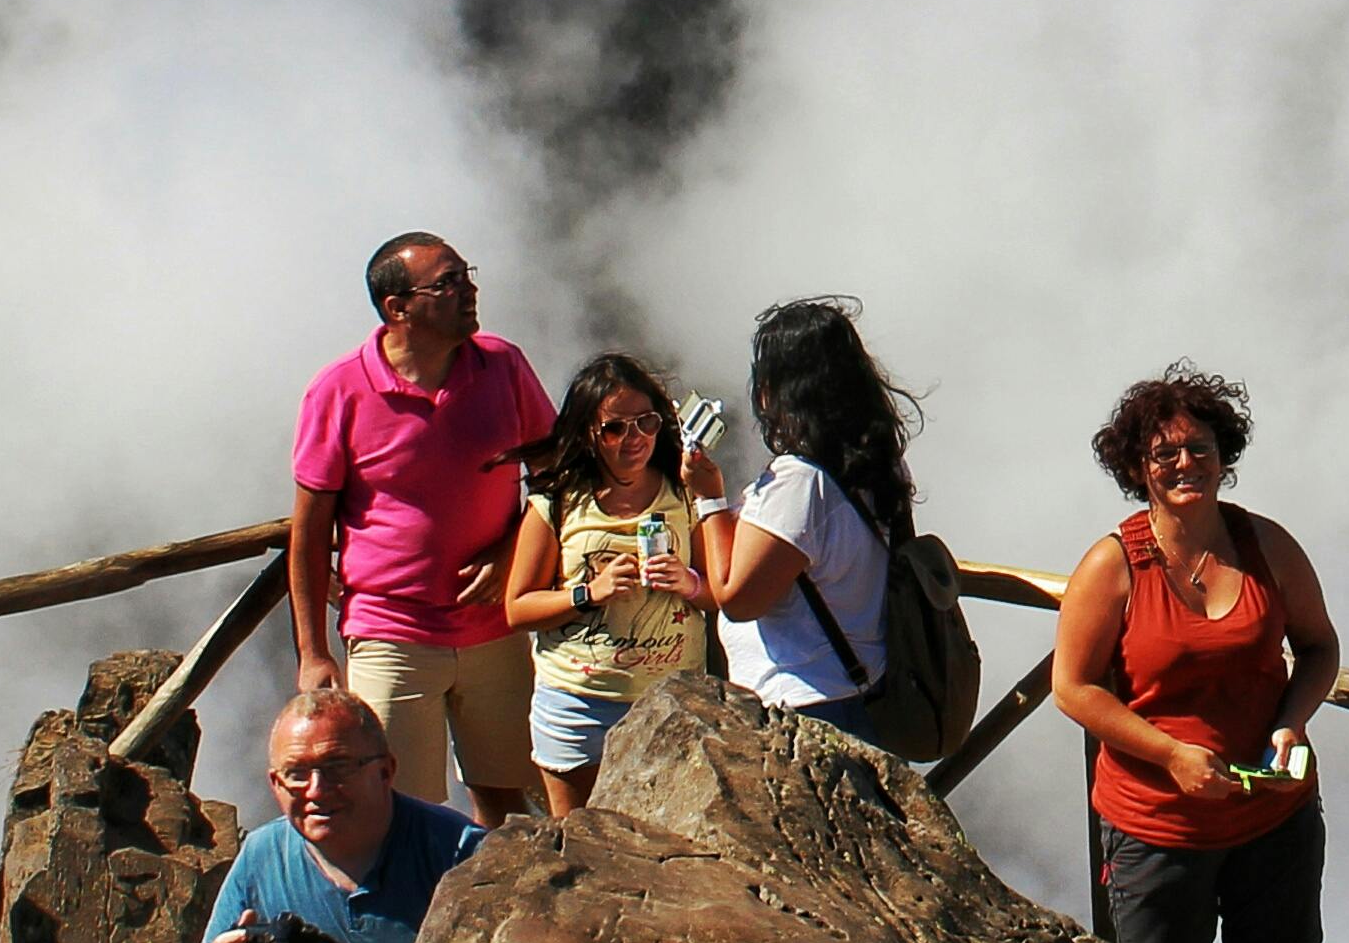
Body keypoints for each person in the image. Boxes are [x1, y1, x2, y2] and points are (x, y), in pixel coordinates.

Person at [1047, 365, 1340, 943]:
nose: (1186, 463)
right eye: (1164, 454)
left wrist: (1292, 722)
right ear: (1137, 468)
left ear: (1223, 455)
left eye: (1199, 448)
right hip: (1158, 823)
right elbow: (1071, 687)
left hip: (1271, 812)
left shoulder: (1267, 546)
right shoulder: (1113, 565)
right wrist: (1169, 754)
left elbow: (1319, 647)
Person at [292, 229, 558, 822]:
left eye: (467, 275)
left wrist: (514, 550)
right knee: (394, 811)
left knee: (509, 799)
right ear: (398, 308)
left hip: (496, 627)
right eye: (448, 283)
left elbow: (556, 472)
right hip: (391, 630)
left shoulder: (502, 364)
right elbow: (309, 533)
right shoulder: (339, 390)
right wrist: (313, 652)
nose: (470, 291)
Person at [177, 687, 479, 943]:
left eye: (337, 767)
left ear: (386, 771)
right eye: (297, 773)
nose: (316, 790)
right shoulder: (262, 857)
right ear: (276, 783)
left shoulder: (460, 853)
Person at [498, 352, 713, 813]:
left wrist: (687, 582)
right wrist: (587, 593)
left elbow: (725, 591)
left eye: (646, 423)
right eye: (615, 429)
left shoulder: (685, 490)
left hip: (673, 702)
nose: (633, 439)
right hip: (578, 705)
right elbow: (517, 608)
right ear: (588, 435)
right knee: (580, 849)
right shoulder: (556, 501)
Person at [700, 298, 916, 723]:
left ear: (777, 391)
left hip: (799, 701)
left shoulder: (799, 482)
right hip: (860, 688)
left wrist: (708, 498)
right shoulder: (878, 463)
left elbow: (736, 598)